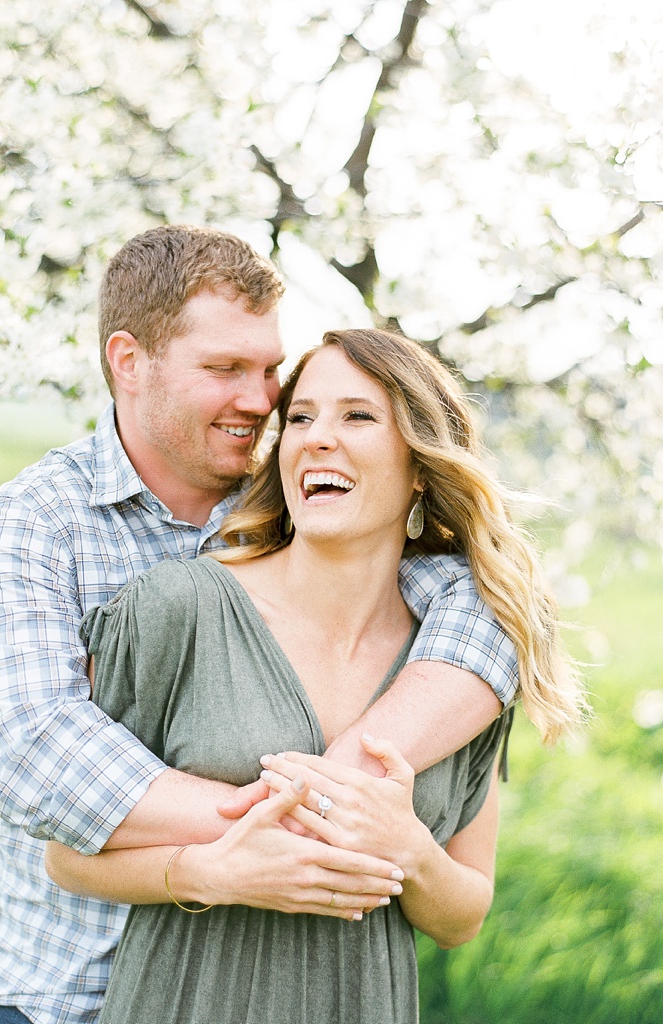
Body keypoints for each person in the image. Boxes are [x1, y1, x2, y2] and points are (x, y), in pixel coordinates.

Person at [0, 226, 520, 1024]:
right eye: (223, 369)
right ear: (128, 361)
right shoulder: (36, 524)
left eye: (268, 372)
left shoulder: (303, 500)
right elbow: (35, 754)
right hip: (74, 994)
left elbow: (487, 606)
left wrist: (367, 805)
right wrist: (303, 812)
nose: (259, 401)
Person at [46, 328, 586, 1024]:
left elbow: (462, 917)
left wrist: (411, 853)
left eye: (356, 416)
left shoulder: (464, 666)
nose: (317, 437)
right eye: (300, 417)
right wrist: (207, 873)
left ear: (421, 464)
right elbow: (67, 856)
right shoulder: (178, 609)